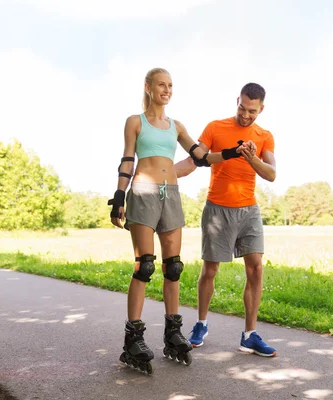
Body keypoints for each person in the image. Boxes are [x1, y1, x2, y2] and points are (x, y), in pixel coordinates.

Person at [109, 67, 253, 374]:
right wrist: (119, 195)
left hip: (171, 194)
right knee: (144, 265)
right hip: (143, 191)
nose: (167, 89)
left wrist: (230, 152)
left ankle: (172, 333)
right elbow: (127, 159)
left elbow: (201, 156)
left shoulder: (176, 126)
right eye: (161, 84)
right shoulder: (135, 122)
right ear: (147, 87)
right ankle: (133, 337)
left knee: (172, 267)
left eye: (170, 85)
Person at [175, 82, 277, 357]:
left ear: (261, 109)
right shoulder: (215, 127)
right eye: (242, 108)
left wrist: (251, 157)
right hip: (217, 208)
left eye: (252, 111)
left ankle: (249, 335)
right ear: (238, 101)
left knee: (256, 269)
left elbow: (271, 173)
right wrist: (163, 173)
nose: (246, 115)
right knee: (210, 270)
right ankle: (201, 324)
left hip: (249, 210)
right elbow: (195, 160)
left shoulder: (264, 136)